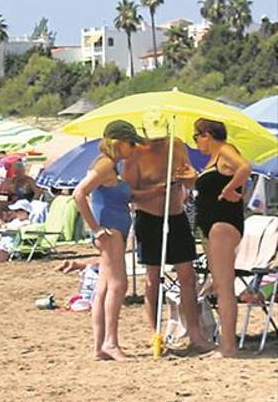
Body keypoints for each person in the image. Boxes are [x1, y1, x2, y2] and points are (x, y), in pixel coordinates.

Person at [119, 120, 213, 352]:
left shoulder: (176, 147)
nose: (157, 142)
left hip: (176, 215)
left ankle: (195, 333)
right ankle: (154, 333)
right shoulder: (135, 154)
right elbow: (128, 193)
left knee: (187, 276)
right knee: (152, 279)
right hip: (148, 218)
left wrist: (189, 178)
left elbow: (191, 181)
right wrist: (155, 190)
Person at [73, 122, 136, 361]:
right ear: (119, 142)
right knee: (118, 285)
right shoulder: (106, 164)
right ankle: (111, 342)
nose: (134, 148)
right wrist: (96, 228)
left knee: (103, 288)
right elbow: (79, 193)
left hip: (112, 228)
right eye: (131, 143)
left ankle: (100, 346)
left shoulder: (110, 165)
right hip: (110, 231)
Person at [193, 118, 251, 358]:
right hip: (213, 225)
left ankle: (228, 346)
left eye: (196, 137)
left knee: (224, 286)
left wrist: (229, 190)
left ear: (207, 134)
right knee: (219, 284)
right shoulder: (214, 160)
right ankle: (226, 343)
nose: (196, 143)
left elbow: (245, 168)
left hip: (223, 224)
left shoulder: (226, 150)